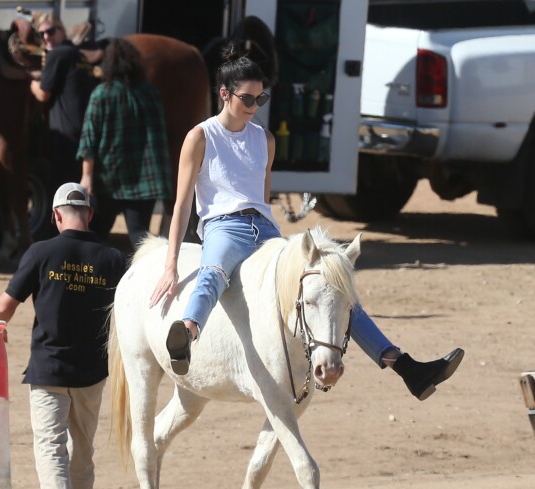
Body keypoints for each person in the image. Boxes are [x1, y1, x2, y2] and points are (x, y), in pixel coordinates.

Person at [149, 43, 464, 400]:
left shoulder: (264, 139)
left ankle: (407, 367)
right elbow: (182, 203)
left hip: (265, 230)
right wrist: (171, 263)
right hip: (223, 226)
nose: (254, 108)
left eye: (260, 100)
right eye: (247, 100)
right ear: (224, 94)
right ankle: (187, 334)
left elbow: (262, 197)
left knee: (331, 283)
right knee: (213, 272)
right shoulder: (200, 137)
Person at [0, 183, 127, 489]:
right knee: (82, 452)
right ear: (90, 215)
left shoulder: (40, 253)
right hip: (92, 373)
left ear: (54, 215)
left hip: (48, 370)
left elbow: (4, 307)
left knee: (51, 446)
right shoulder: (112, 259)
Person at [77, 38, 172, 249]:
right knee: (141, 242)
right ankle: (146, 280)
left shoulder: (101, 93)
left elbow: (89, 139)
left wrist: (87, 177)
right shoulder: (150, 93)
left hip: (107, 181)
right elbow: (159, 139)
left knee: (96, 237)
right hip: (143, 184)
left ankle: (97, 280)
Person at [30, 14, 98, 190]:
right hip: (85, 135)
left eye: (50, 31)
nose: (46, 37)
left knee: (62, 192)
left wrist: (30, 82)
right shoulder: (77, 55)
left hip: (65, 137)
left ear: (61, 31)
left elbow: (43, 94)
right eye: (41, 34)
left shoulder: (58, 54)